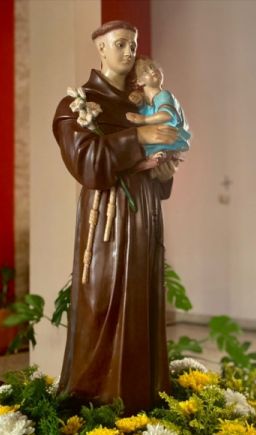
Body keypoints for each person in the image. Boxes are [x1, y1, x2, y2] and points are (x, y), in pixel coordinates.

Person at [52, 20, 179, 414]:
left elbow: (158, 175)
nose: (129, 52)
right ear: (101, 49)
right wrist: (138, 139)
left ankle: (145, 396)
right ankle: (97, 400)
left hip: (145, 217)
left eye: (133, 45)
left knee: (143, 302)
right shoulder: (76, 105)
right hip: (107, 223)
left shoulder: (145, 106)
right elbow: (87, 163)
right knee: (103, 303)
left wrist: (163, 173)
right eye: (120, 44)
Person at [126, 57, 191, 161]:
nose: (152, 71)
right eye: (145, 71)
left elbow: (166, 115)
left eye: (153, 67)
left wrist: (144, 119)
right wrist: (139, 102)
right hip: (157, 142)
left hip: (169, 140)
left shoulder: (164, 95)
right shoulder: (145, 101)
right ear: (139, 81)